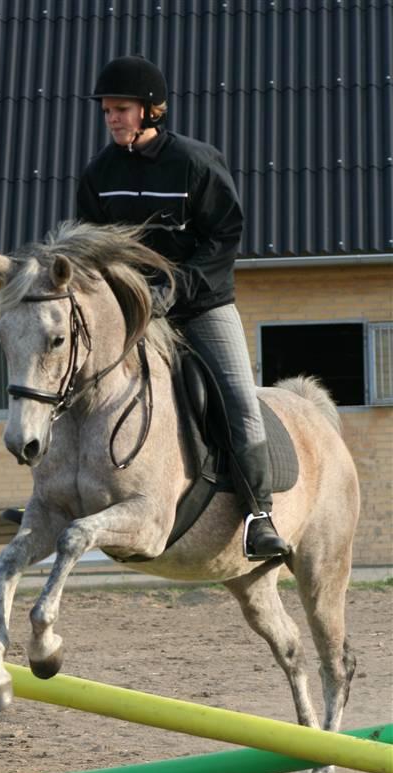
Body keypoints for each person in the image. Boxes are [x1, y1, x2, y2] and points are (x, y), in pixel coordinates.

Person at [77, 54, 289, 560]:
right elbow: (91, 246)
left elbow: (224, 236)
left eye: (121, 110)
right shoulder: (100, 173)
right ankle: (60, 495)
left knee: (237, 396)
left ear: (151, 110)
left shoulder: (195, 163)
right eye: (107, 111)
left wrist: (179, 286)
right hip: (133, 311)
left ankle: (259, 515)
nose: (112, 119)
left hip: (201, 306)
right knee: (73, 378)